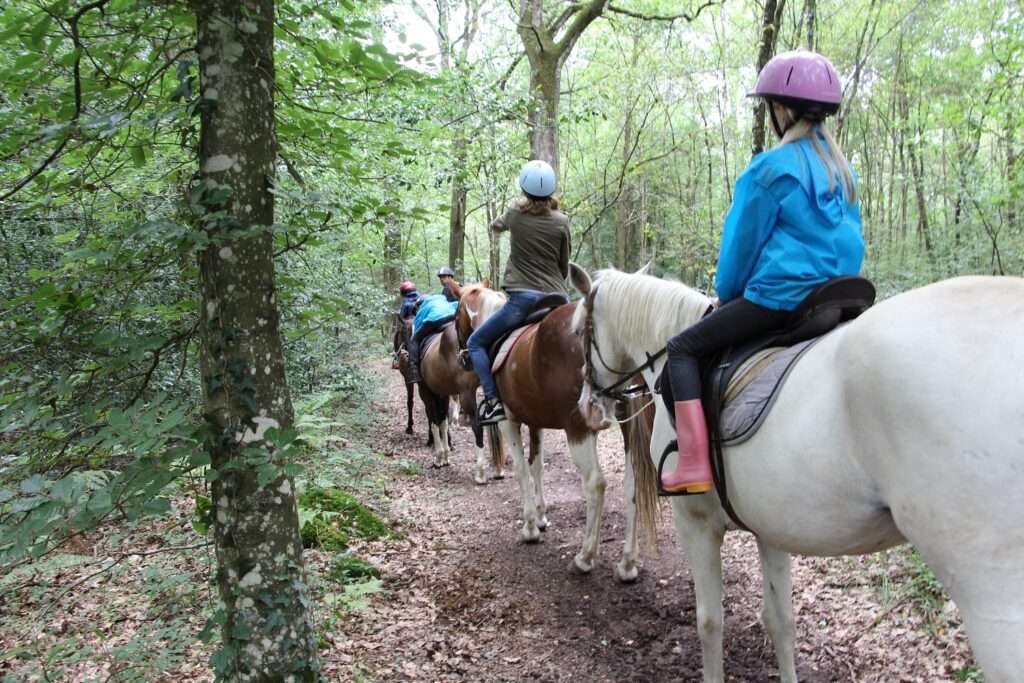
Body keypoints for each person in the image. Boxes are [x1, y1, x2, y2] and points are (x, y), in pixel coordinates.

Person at [661, 49, 864, 494]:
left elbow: (739, 249)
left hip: (783, 299)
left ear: (780, 110)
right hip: (841, 297)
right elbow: (850, 243)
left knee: (681, 350)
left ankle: (694, 465)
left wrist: (728, 293)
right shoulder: (844, 172)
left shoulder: (769, 169)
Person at [468, 160, 571, 425]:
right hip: (558, 299)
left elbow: (495, 225)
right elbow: (563, 263)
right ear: (552, 191)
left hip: (523, 301)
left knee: (475, 343)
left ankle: (492, 402)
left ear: (524, 189)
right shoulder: (562, 221)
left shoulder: (515, 213)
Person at [407, 293, 459, 384]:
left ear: (419, 304)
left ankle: (413, 370)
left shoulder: (422, 308)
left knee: (414, 340)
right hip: (452, 317)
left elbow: (417, 327)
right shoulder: (442, 298)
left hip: (435, 320)